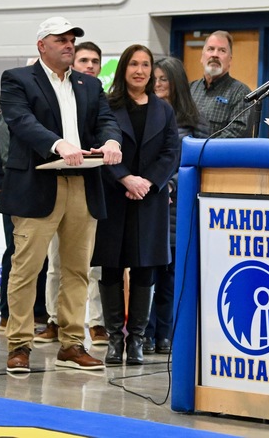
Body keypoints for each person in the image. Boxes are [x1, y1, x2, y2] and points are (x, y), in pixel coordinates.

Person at [0, 17, 122, 374]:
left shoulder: (89, 83)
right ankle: (20, 344)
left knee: (77, 269)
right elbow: (21, 121)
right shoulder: (18, 79)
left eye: (72, 39)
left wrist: (111, 140)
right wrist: (57, 144)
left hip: (82, 183)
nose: (69, 45)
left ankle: (71, 343)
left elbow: (105, 120)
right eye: (61, 40)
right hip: (38, 182)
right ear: (42, 45)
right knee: (27, 269)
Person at [92, 45, 180, 366]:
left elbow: (171, 153)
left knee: (145, 268)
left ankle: (137, 340)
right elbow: (99, 147)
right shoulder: (107, 105)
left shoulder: (164, 111)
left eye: (146, 65)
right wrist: (126, 178)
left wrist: (148, 182)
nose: (140, 71)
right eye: (133, 64)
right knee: (112, 267)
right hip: (115, 195)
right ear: (123, 69)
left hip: (150, 200)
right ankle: (115, 340)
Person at [43, 41, 109, 346]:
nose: (91, 65)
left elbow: (108, 134)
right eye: (85, 59)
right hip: (54, 183)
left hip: (91, 187)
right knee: (55, 262)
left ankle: (94, 322)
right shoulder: (57, 96)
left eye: (96, 61)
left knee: (87, 265)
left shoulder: (97, 96)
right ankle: (54, 320)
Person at [144, 57, 208, 355]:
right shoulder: (144, 116)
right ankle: (144, 332)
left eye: (163, 80)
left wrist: (171, 186)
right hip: (149, 202)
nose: (157, 85)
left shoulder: (195, 122)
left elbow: (198, 167)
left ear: (176, 84)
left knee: (169, 275)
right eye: (153, 79)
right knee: (146, 272)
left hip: (178, 208)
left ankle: (164, 334)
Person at [0, 59, 49, 335]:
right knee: (17, 253)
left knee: (40, 257)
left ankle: (39, 312)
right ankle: (8, 315)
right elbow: (7, 158)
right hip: (15, 189)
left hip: (40, 187)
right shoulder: (9, 113)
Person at [189, 31, 252, 138]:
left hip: (218, 154)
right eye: (210, 49)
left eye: (222, 50)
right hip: (188, 154)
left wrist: (201, 149)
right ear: (202, 57)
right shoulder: (190, 89)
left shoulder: (241, 93)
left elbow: (236, 133)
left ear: (230, 60)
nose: (215, 55)